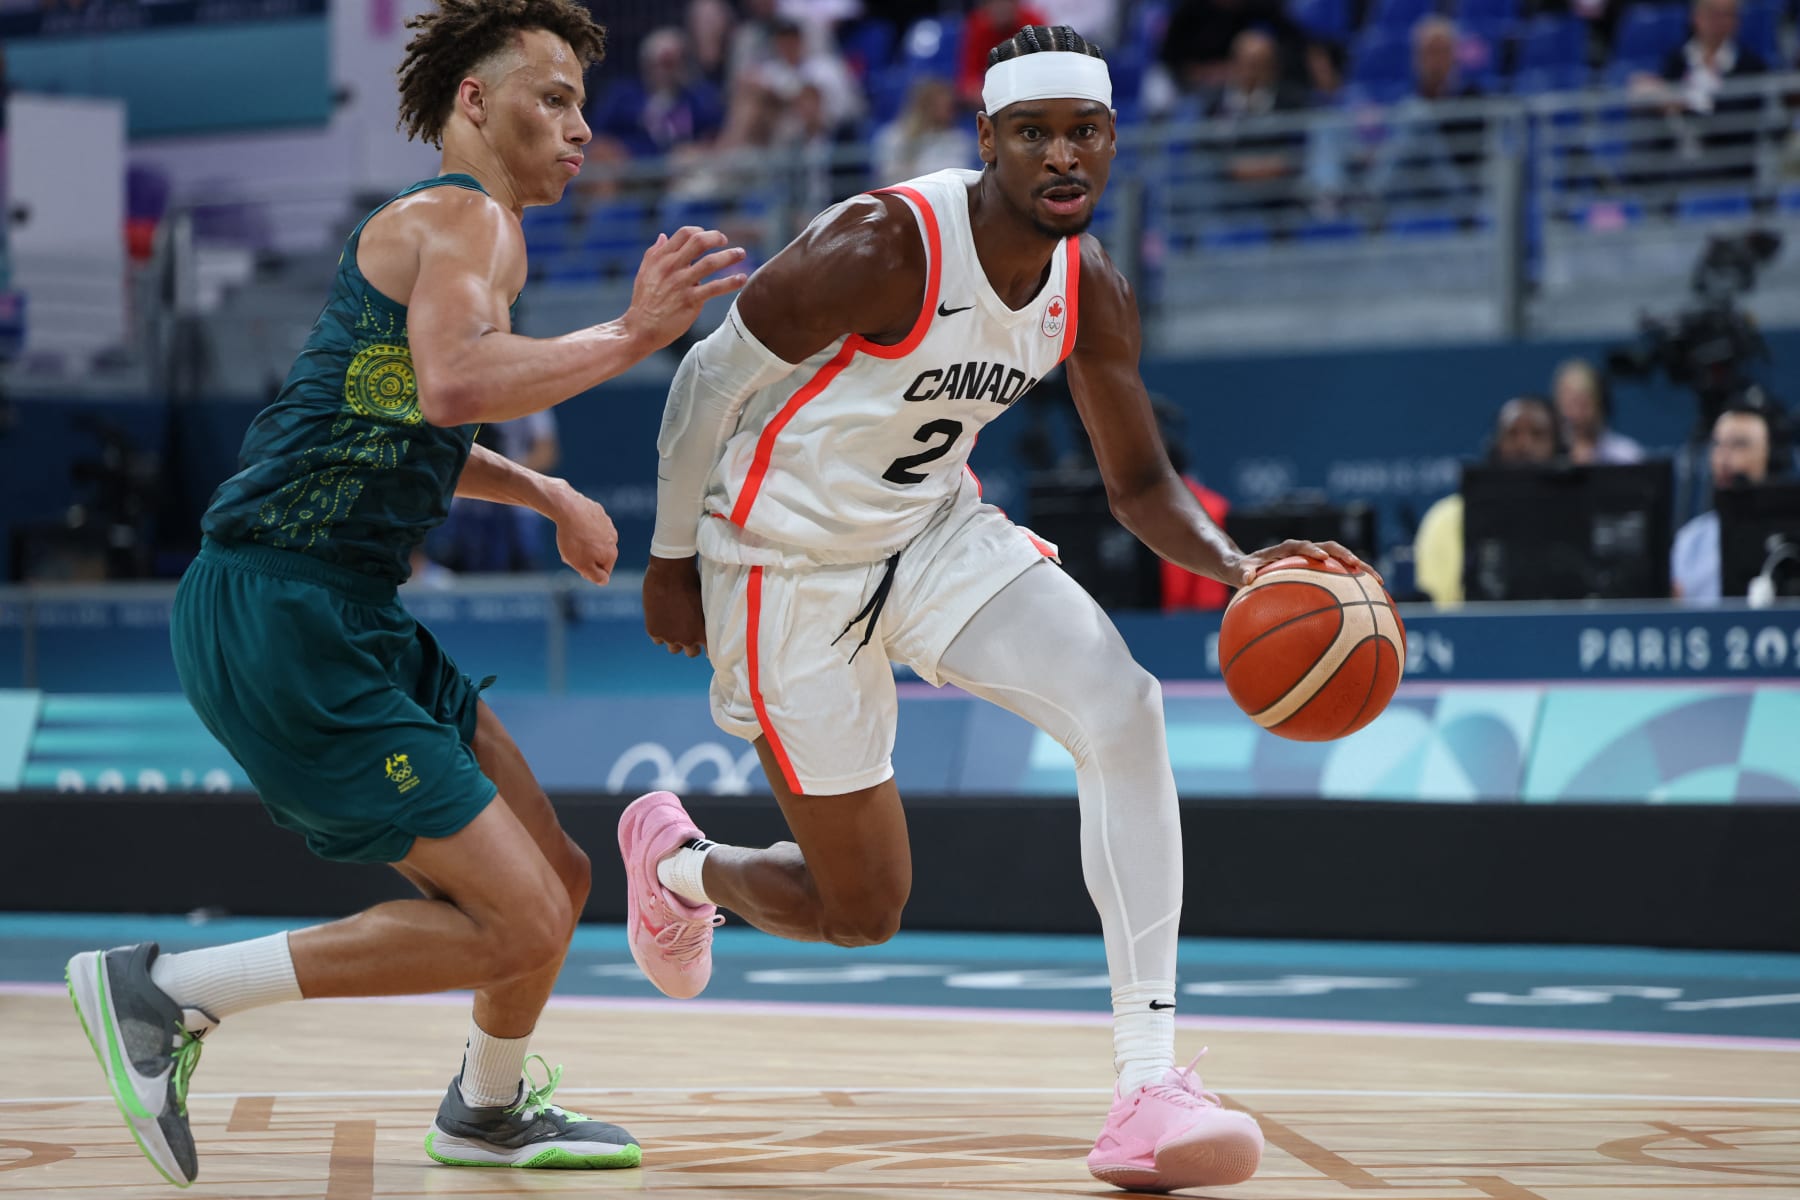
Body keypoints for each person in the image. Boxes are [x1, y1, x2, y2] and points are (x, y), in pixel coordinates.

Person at [628, 25, 1371, 1193]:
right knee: (860, 911)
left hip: (931, 535)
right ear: (986, 142)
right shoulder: (885, 244)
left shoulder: (1091, 288)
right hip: (782, 564)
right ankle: (680, 869)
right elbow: (705, 380)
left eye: (1084, 133)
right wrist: (672, 559)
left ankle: (1147, 1085)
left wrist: (1239, 567)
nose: (1061, 157)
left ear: (1114, 142)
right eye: (1033, 134)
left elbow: (1138, 486)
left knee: (1123, 706)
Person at [62, 0, 747, 1187]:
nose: (582, 126)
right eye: (552, 98)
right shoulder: (466, 218)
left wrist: (544, 494)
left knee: (563, 880)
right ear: (472, 103)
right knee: (523, 919)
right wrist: (637, 331)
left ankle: (486, 1110)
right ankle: (165, 993)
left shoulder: (455, 234)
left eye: (585, 102)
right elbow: (453, 386)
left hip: (346, 608)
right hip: (284, 611)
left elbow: (402, 419)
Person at [1413, 395, 1563, 607]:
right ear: (1495, 445)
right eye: (1513, 434)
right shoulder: (1446, 517)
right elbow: (1439, 609)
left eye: (1537, 435)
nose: (1524, 445)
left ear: (1557, 446)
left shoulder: (1577, 516)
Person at [1672, 403, 1778, 602]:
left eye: (1739, 444)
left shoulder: (1787, 537)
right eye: (1717, 445)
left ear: (1768, 455)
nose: (1724, 457)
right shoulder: (1690, 540)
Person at [1553, 358, 1643, 465]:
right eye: (1569, 405)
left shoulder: (1627, 456)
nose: (1576, 415)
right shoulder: (1547, 456)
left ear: (1600, 405)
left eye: (1583, 405)